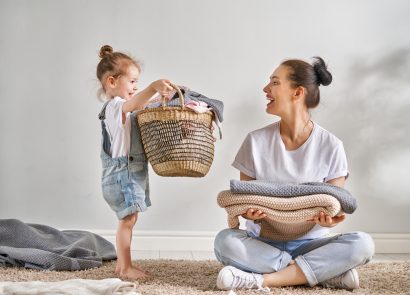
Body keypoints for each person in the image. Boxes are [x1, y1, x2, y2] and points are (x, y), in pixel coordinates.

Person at [214, 57, 375, 291]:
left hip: (312, 243)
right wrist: (251, 215)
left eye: (275, 82)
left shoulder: (331, 145)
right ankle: (321, 274)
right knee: (224, 242)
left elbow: (336, 206)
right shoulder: (255, 141)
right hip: (263, 243)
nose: (265, 89)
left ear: (297, 93)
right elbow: (245, 201)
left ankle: (262, 279)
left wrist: (333, 218)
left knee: (363, 244)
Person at [96, 45, 173, 280]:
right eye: (132, 81)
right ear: (112, 81)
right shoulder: (114, 106)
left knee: (129, 219)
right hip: (122, 174)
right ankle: (126, 266)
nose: (136, 86)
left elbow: (140, 106)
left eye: (137, 82)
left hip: (128, 172)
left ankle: (122, 266)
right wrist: (152, 87)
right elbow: (134, 103)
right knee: (127, 220)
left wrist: (158, 97)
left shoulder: (124, 109)